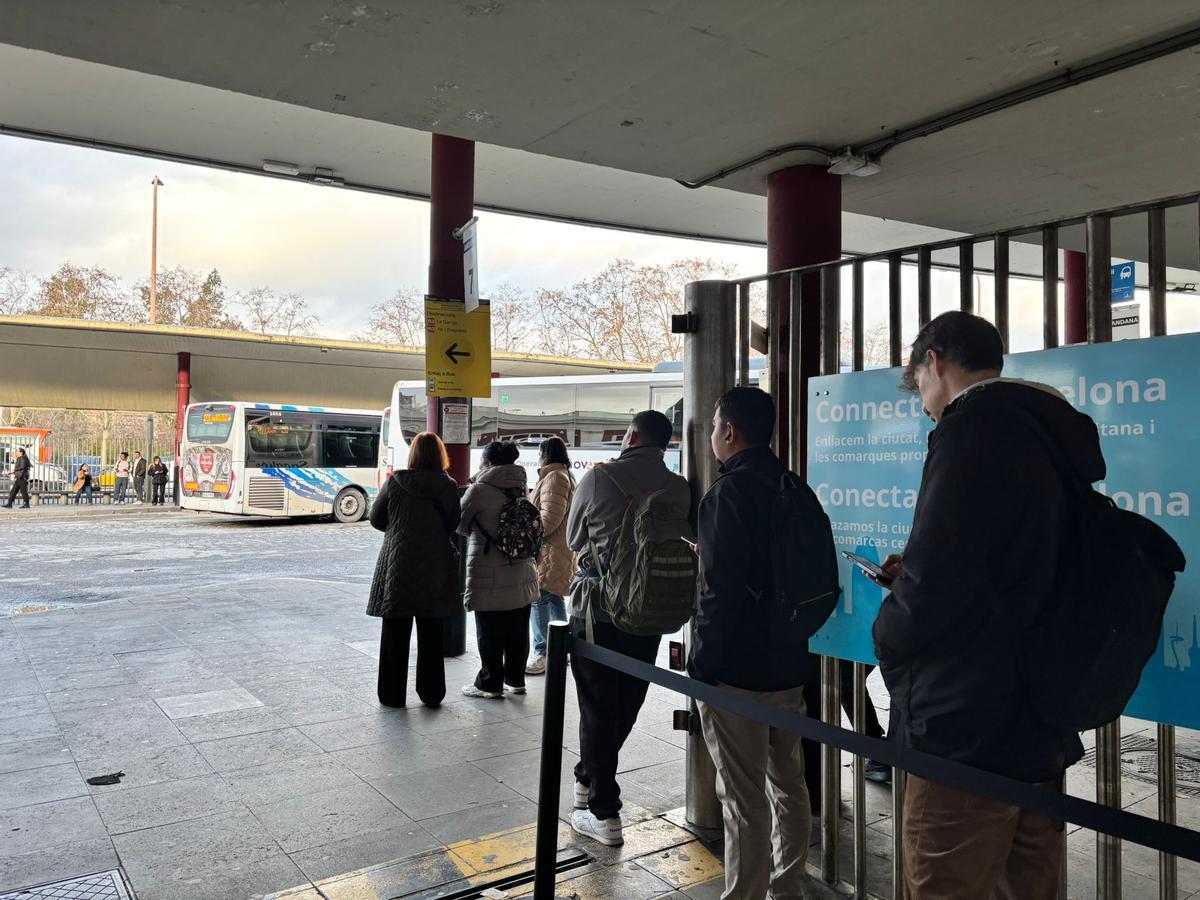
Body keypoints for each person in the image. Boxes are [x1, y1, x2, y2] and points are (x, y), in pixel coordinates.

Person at [872, 311, 1094, 899]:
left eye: (920, 382)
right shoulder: (1047, 432)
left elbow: (933, 590)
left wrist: (888, 630)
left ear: (935, 363)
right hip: (1038, 721)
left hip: (965, 728)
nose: (922, 402)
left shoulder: (968, 432)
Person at [690, 386, 818, 899]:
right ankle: (787, 888)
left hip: (736, 674)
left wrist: (704, 667)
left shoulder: (727, 495)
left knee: (743, 800)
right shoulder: (794, 487)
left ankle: (743, 895)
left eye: (715, 428)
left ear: (729, 431)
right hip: (789, 663)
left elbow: (718, 597)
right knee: (790, 786)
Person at [565, 409, 690, 847]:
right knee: (627, 701)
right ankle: (587, 781)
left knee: (596, 707)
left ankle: (604, 811)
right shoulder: (679, 487)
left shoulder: (599, 479)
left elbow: (572, 540)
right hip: (648, 609)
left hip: (597, 611)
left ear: (632, 435)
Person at [367, 432, 462, 708]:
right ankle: (431, 693)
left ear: (414, 454)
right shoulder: (448, 486)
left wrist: (400, 530)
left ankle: (391, 695)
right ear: (440, 454)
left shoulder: (395, 482)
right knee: (432, 633)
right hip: (434, 566)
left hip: (398, 565)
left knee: (395, 633)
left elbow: (375, 518)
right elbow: (453, 523)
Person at [458, 440, 537, 699]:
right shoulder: (520, 484)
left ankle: (490, 683)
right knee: (518, 628)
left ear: (487, 462)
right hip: (522, 568)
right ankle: (516, 680)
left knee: (489, 630)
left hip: (488, 568)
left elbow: (460, 525)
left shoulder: (479, 489)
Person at [526, 437, 575, 675]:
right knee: (554, 598)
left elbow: (549, 518)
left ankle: (543, 652)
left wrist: (530, 534)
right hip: (558, 549)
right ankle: (561, 649)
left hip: (549, 550)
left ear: (545, 454)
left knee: (539, 597)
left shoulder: (555, 478)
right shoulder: (561, 475)